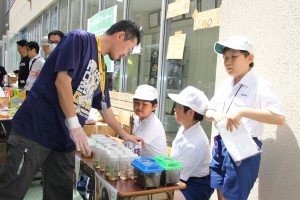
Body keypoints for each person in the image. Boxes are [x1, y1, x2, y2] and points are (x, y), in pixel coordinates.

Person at [0, 20, 143, 200]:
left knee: (61, 194)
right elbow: (62, 81)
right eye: (129, 49)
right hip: (35, 131)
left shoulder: (102, 67)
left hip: (64, 140)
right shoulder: (80, 39)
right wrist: (75, 127)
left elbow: (105, 108)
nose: (126, 55)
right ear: (120, 36)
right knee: (11, 191)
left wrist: (124, 134)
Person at [205, 35, 286, 200]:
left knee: (233, 196)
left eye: (234, 57)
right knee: (220, 192)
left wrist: (243, 112)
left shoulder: (260, 84)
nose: (228, 62)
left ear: (250, 58)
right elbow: (208, 111)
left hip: (243, 146)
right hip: (221, 143)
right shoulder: (225, 85)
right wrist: (215, 115)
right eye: (225, 58)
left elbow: (279, 118)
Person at [168, 86, 214, 200]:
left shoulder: (194, 143)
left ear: (190, 112)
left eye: (178, 106)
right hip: (180, 178)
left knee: (157, 195)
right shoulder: (186, 127)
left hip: (195, 186)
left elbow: (177, 177)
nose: (175, 109)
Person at [132, 84, 167, 157]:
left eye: (144, 104)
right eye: (136, 102)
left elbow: (133, 145)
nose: (139, 107)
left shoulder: (154, 124)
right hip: (142, 163)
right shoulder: (138, 119)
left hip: (154, 166)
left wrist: (116, 141)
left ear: (154, 106)